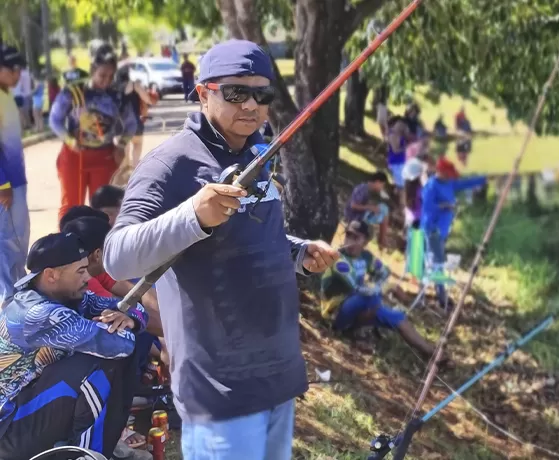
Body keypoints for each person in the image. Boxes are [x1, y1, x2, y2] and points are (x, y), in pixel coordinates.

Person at [102, 39, 340, 460]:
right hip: (220, 388)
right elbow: (117, 256)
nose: (251, 105)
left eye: (262, 94)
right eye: (236, 92)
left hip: (278, 375)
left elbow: (258, 240)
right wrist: (193, 214)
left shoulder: (257, 154)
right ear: (203, 92)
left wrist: (300, 253)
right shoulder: (169, 164)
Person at [0, 232, 148, 460]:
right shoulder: (37, 313)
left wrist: (131, 319)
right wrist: (125, 321)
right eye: (80, 271)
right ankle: (86, 454)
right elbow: (120, 345)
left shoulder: (64, 296)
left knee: (105, 357)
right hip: (9, 431)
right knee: (98, 364)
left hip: (29, 410)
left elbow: (127, 306)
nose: (88, 278)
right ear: (51, 275)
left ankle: (95, 448)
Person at [321, 221, 450, 361]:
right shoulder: (338, 259)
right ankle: (355, 331)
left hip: (359, 304)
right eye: (348, 235)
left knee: (398, 317)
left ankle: (432, 354)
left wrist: (379, 285)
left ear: (365, 241)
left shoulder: (366, 257)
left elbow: (384, 272)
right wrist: (382, 287)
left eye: (356, 238)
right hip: (335, 313)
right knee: (372, 297)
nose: (350, 241)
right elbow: (357, 288)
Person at [49, 44, 137, 221]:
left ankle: (101, 247)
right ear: (92, 70)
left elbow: (131, 124)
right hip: (74, 156)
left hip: (104, 157)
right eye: (102, 75)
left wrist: (121, 145)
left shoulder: (117, 95)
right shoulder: (74, 91)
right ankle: (68, 246)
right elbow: (54, 120)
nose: (106, 80)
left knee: (104, 208)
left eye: (111, 76)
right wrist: (70, 140)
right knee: (71, 207)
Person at [420, 158, 486, 309]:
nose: (451, 176)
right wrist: (446, 205)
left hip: (442, 230)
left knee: (437, 261)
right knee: (437, 263)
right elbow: (428, 207)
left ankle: (437, 293)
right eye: (448, 173)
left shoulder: (449, 183)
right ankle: (441, 297)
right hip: (433, 229)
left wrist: (483, 179)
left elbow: (464, 183)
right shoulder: (431, 186)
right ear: (441, 172)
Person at [0, 46, 30, 305]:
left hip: (16, 180)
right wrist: (3, 183)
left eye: (20, 69)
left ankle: (18, 289)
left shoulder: (6, 95)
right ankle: (10, 297)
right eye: (13, 69)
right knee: (8, 240)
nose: (18, 74)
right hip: (6, 185)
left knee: (19, 238)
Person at [113, 66, 154, 173]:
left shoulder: (112, 88)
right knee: (137, 148)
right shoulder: (135, 85)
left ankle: (124, 181)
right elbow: (148, 100)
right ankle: (135, 176)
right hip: (135, 124)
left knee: (123, 158)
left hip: (119, 126)